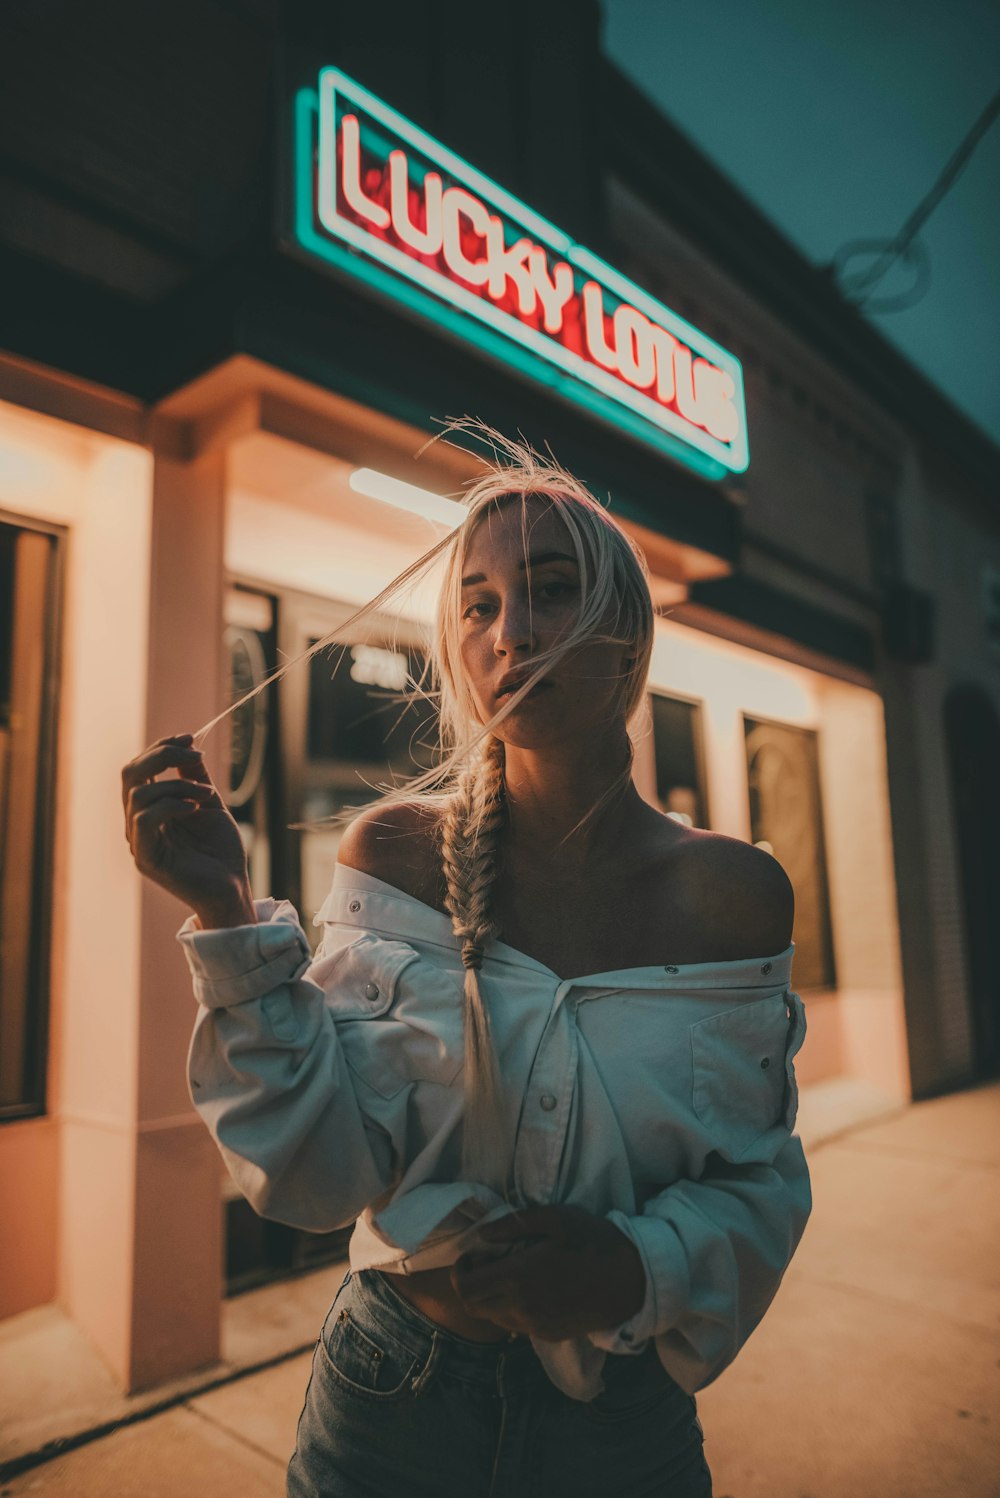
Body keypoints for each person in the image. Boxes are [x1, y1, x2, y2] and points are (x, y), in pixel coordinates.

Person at [121, 437, 811, 1497]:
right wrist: (224, 908)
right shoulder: (394, 854)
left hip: (621, 1430)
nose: (511, 632)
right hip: (388, 1403)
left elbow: (759, 1181)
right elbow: (318, 1177)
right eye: (479, 604)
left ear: (624, 633)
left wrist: (632, 1267)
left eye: (548, 590)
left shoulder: (733, 894)